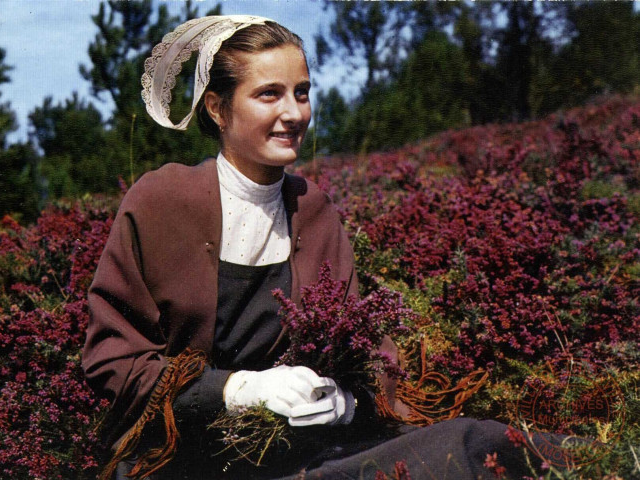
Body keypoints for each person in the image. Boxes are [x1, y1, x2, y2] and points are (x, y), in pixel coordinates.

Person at [83, 15, 557, 480]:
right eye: (269, 94)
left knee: (470, 441)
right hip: (181, 462)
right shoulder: (162, 200)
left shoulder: (314, 209)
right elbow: (114, 361)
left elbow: (366, 349)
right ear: (216, 108)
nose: (294, 113)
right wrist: (238, 389)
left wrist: (348, 400)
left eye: (302, 92)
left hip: (301, 456)